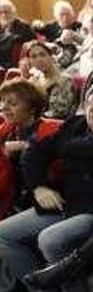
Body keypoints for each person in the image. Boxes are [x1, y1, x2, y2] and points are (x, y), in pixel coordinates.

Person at [0, 83, 93, 292]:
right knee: (4, 234)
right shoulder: (74, 126)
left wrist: (63, 148)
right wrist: (38, 188)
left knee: (51, 239)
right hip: (63, 201)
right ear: (84, 108)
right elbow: (34, 153)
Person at [0, 79, 60, 220]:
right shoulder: (6, 130)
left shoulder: (50, 131)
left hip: (34, 203)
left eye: (13, 104)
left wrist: (25, 147)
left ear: (32, 109)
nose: (4, 108)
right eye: (3, 102)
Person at [22, 41, 78, 119]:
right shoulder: (34, 79)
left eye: (42, 55)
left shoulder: (64, 80)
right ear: (30, 62)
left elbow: (59, 112)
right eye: (34, 57)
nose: (39, 60)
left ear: (51, 57)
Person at [0, 0, 36, 69]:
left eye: (6, 12)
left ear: (13, 13)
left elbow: (34, 43)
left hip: (21, 63)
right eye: (0, 13)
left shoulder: (24, 26)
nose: (3, 15)